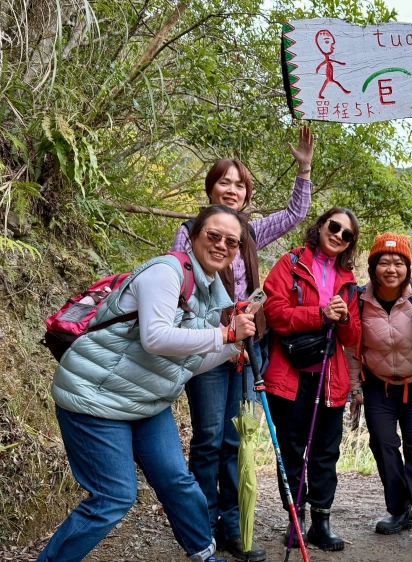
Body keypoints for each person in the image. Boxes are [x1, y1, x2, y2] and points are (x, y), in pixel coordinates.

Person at [38, 205, 258, 562]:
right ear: (194, 236)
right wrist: (224, 335)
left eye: (231, 242)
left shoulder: (210, 291)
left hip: (144, 401)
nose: (221, 245)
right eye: (213, 236)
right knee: (114, 497)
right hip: (95, 397)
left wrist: (230, 349)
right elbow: (156, 337)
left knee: (177, 481)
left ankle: (204, 554)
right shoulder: (165, 272)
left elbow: (190, 362)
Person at [172, 128, 314, 562]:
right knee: (210, 437)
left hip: (248, 350)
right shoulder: (190, 233)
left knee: (238, 439)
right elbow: (184, 292)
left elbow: (294, 213)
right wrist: (222, 330)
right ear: (211, 187)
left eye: (239, 184)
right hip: (209, 347)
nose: (231, 190)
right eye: (224, 182)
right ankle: (202, 530)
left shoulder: (250, 233)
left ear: (246, 194)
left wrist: (304, 168)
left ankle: (233, 526)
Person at [262, 207, 361, 551]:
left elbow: (352, 338)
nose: (338, 235)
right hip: (289, 376)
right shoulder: (289, 264)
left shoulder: (348, 280)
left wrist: (345, 318)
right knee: (291, 450)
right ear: (320, 226)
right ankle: (296, 519)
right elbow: (274, 313)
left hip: (330, 380)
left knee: (324, 452)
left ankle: (321, 520)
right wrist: (320, 314)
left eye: (346, 234)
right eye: (334, 227)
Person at [347, 233, 412, 553]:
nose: (390, 269)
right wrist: (355, 388)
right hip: (378, 385)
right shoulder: (359, 300)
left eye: (397, 263)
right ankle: (400, 510)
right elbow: (352, 347)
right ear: (373, 266)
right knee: (383, 443)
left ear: (407, 267)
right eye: (383, 262)